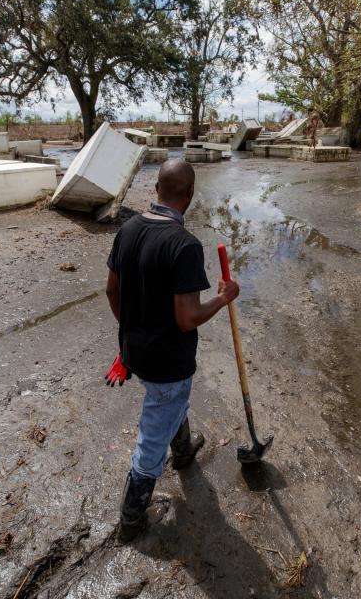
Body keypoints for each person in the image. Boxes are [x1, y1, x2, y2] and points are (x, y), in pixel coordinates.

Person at [104, 159, 240, 542]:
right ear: (190, 195)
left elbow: (112, 291)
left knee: (171, 401)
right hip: (167, 362)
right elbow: (187, 317)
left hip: (133, 352)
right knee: (153, 435)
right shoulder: (184, 245)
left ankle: (182, 451)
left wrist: (131, 332)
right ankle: (131, 517)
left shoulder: (128, 229)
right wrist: (224, 297)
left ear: (156, 189)